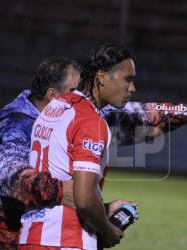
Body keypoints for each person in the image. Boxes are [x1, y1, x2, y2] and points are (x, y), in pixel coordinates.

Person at [0, 56, 187, 249]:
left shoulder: (74, 113)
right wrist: (76, 195)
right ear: (53, 95)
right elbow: (12, 180)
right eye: (77, 89)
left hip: (57, 232)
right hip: (12, 237)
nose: (83, 93)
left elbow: (144, 118)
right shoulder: (17, 125)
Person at [18, 43, 138, 249]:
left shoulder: (54, 107)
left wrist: (104, 208)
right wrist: (108, 232)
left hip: (31, 235)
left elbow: (59, 176)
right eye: (128, 79)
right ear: (101, 77)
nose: (132, 88)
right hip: (65, 240)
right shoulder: (90, 120)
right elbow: (83, 199)